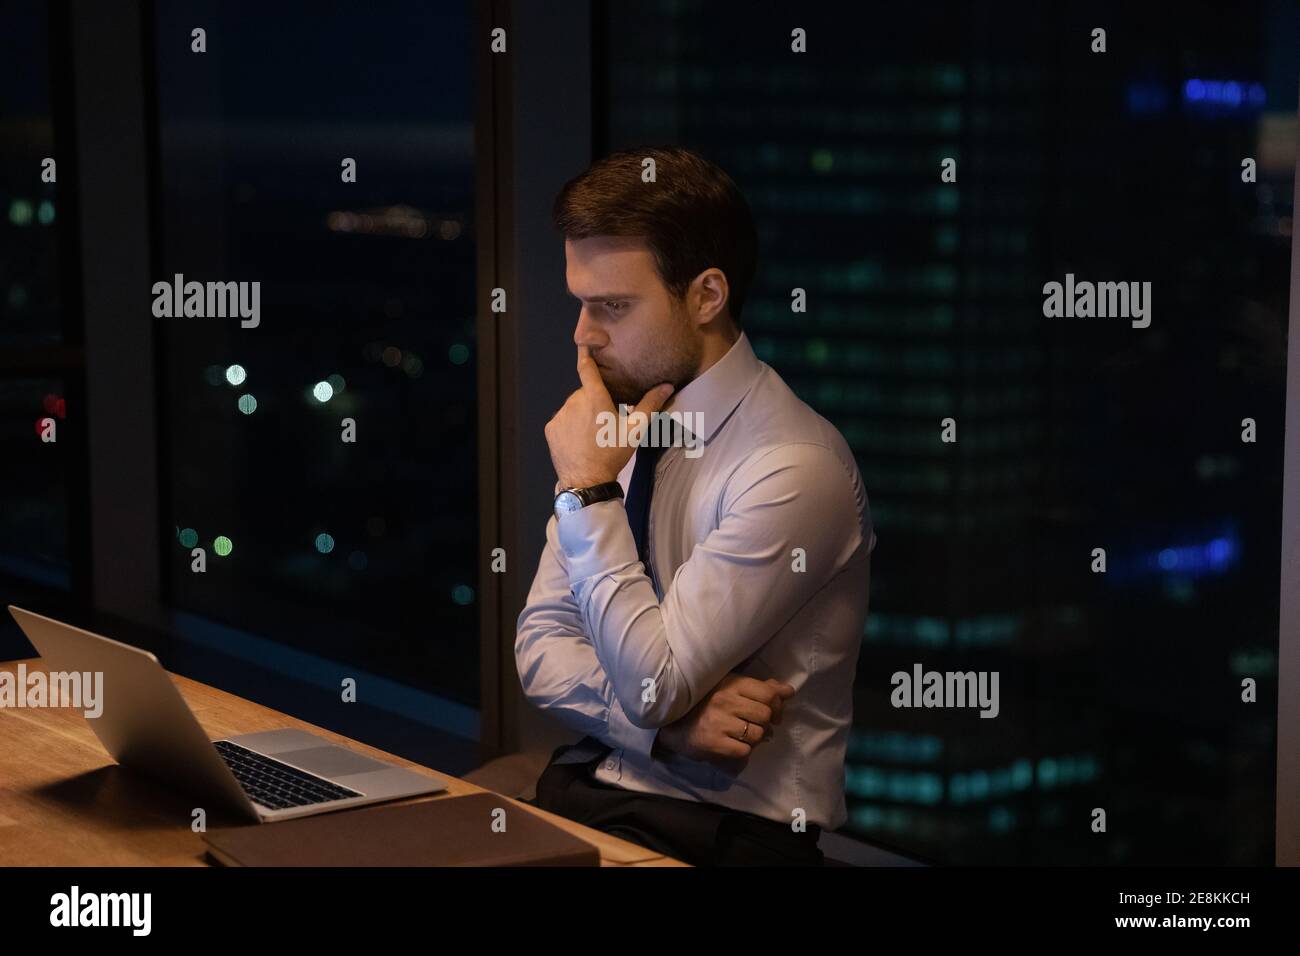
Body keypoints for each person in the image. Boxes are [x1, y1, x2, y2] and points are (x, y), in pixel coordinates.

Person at [515, 145, 876, 866]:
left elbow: (651, 686)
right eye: (580, 304)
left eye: (611, 307)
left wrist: (587, 491)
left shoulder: (791, 467)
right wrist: (669, 729)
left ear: (707, 296)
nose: (583, 336)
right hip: (595, 789)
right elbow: (539, 650)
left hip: (728, 840)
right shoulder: (618, 424)